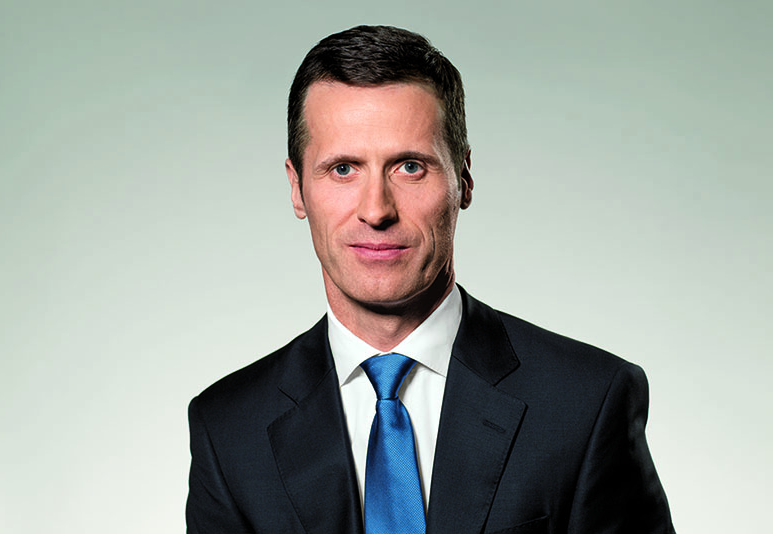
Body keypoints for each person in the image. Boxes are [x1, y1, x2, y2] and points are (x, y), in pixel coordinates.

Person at [186, 25, 674, 534]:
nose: (376, 210)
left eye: (409, 167)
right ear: (297, 188)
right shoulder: (227, 431)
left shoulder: (587, 403)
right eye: (343, 169)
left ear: (463, 177)